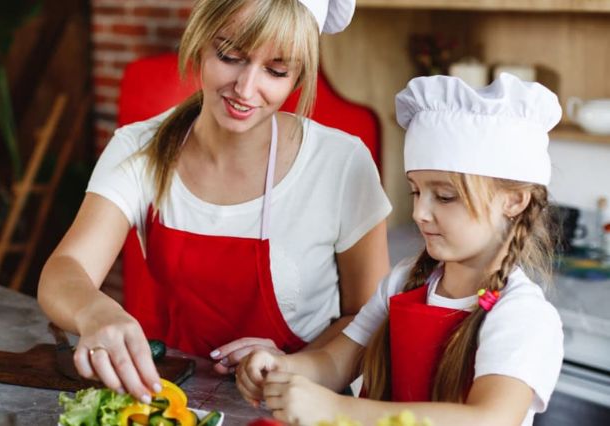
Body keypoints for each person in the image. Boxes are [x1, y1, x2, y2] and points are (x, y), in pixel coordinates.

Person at [37, 0, 391, 404]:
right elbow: (66, 269)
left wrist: (298, 366)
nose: (245, 89)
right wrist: (96, 313)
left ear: (298, 77)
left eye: (276, 70)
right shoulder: (140, 149)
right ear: (200, 41)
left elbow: (369, 319)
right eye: (230, 56)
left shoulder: (341, 163)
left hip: (296, 405)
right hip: (167, 399)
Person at [237, 72, 565, 426]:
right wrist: (283, 368)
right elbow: (335, 363)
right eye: (416, 191)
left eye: (445, 196)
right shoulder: (402, 284)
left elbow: (489, 419)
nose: (419, 213)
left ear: (514, 201)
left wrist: (338, 409)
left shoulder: (523, 316)